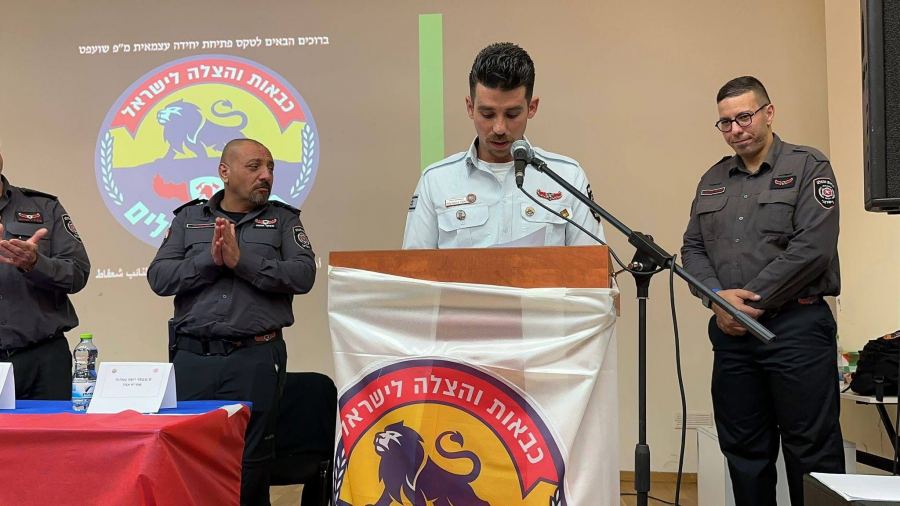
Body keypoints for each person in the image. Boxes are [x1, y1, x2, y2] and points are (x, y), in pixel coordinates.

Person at [681, 76, 844, 505]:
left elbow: (813, 249)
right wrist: (716, 297)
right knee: (744, 452)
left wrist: (747, 302)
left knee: (812, 452)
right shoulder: (713, 179)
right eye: (725, 122)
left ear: (768, 113)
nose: (735, 129)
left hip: (797, 329)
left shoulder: (808, 166)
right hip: (733, 338)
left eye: (744, 117)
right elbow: (692, 248)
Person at [147, 138, 316, 506]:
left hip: (255, 357)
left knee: (250, 464)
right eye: (255, 167)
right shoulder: (189, 218)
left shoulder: (284, 220)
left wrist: (243, 262)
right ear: (224, 172)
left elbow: (303, 275)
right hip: (193, 358)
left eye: (270, 168)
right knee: (190, 457)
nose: (266, 175)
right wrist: (210, 261)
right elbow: (159, 278)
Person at [402, 42, 604, 249]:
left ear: (531, 108)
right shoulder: (436, 181)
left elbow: (592, 265)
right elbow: (413, 267)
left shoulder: (567, 177)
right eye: (487, 114)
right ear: (470, 107)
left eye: (512, 114)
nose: (499, 128)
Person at [0, 149, 90, 400]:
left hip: (43, 359)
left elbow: (77, 273)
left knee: (53, 426)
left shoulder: (44, 207)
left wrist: (35, 263)